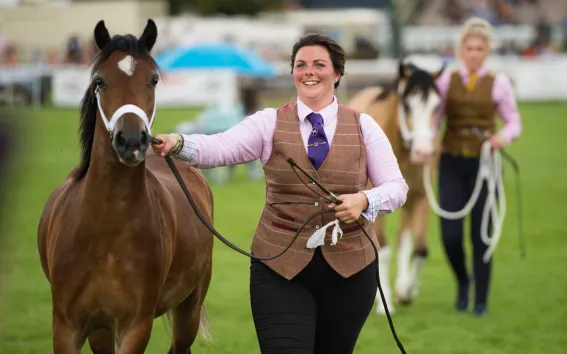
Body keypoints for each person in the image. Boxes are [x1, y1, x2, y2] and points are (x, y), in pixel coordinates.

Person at [152, 34, 408, 353]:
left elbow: (397, 188)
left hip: (351, 268)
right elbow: (220, 147)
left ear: (338, 73)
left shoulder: (364, 126)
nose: (308, 71)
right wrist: (178, 143)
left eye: (319, 64)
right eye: (300, 65)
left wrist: (366, 200)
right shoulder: (268, 123)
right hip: (279, 267)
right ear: (293, 73)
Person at [427, 17, 523, 317]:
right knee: (450, 235)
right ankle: (463, 281)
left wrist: (501, 137)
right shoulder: (445, 81)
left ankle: (480, 299)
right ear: (461, 50)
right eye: (469, 48)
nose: (474, 53)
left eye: (479, 48)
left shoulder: (499, 83)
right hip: (452, 163)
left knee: (482, 234)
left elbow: (514, 121)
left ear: (487, 51)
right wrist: (431, 141)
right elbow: (434, 117)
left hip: (485, 167)